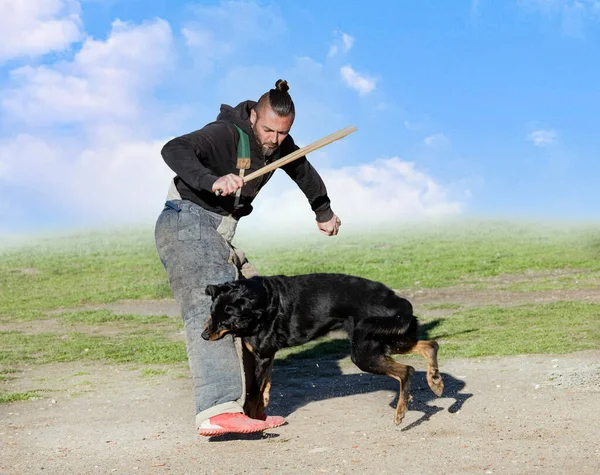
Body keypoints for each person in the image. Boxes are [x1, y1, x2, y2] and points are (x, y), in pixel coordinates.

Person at [154, 79, 342, 436]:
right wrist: (210, 179)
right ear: (254, 115)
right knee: (211, 308)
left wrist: (323, 211)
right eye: (268, 129)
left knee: (257, 306)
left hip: (219, 234)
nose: (273, 139)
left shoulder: (279, 145)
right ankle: (217, 409)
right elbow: (174, 148)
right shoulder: (225, 132)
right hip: (187, 222)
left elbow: (301, 169)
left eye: (282, 133)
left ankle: (249, 410)